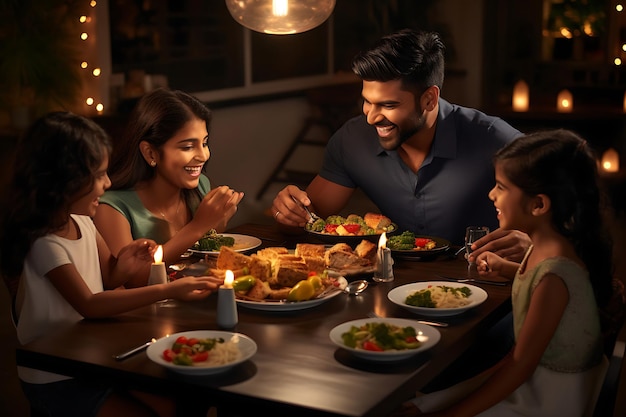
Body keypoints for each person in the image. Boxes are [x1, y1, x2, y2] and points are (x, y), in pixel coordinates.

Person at [0, 112, 222, 417]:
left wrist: (126, 263)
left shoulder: (83, 221)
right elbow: (90, 303)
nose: (107, 183)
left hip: (93, 357)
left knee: (182, 402)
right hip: (58, 375)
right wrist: (168, 290)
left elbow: (108, 275)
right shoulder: (44, 243)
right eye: (99, 175)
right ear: (65, 179)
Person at [390, 129, 614, 417]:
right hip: (528, 377)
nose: (491, 194)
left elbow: (519, 366)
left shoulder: (555, 276)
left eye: (501, 187)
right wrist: (508, 269)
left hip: (550, 397)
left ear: (539, 205)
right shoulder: (541, 250)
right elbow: (516, 355)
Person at [271, 29, 530, 260]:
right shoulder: (352, 140)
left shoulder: (494, 139)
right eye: (367, 101)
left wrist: (533, 242)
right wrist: (289, 212)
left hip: (486, 285)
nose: (372, 117)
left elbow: (563, 218)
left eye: (388, 105)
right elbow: (309, 218)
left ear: (429, 99)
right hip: (395, 286)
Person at [94, 88, 244, 286]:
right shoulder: (111, 208)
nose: (203, 156)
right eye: (187, 147)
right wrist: (198, 226)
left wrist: (216, 225)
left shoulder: (200, 187)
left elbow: (204, 261)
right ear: (150, 153)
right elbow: (132, 281)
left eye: (204, 143)